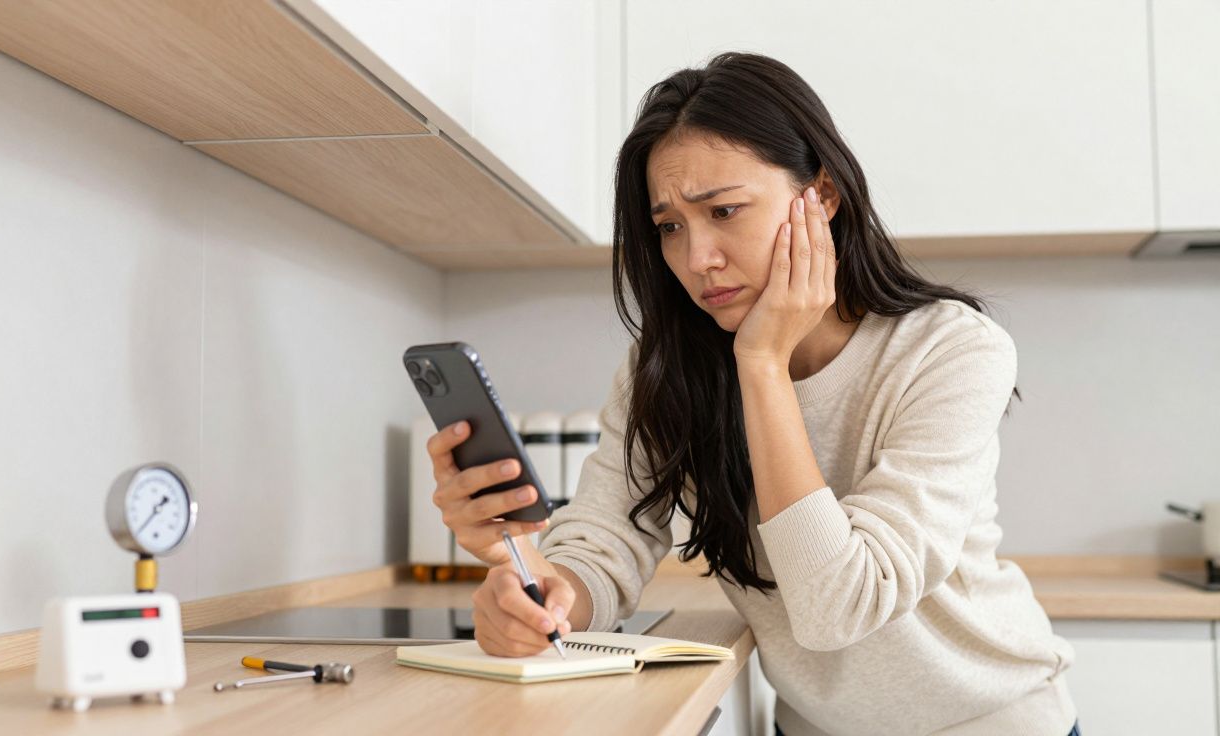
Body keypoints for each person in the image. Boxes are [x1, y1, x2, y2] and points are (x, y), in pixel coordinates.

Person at [426, 52, 1078, 736]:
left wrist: (762, 363)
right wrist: (549, 594)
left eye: (725, 210)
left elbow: (841, 606)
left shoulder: (950, 350)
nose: (697, 257)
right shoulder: (668, 366)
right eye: (670, 226)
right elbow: (604, 540)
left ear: (821, 195)